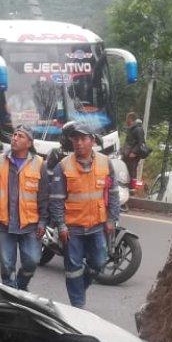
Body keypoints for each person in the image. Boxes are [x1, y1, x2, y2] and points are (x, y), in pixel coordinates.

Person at [50, 122, 120, 309]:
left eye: (83, 138)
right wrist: (61, 225)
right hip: (72, 228)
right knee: (73, 269)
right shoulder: (63, 166)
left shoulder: (106, 163)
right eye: (75, 139)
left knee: (99, 262)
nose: (79, 143)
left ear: (92, 141)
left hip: (97, 225)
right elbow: (56, 200)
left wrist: (112, 219)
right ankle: (78, 306)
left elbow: (113, 193)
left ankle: (80, 288)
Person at [0, 127, 48, 291]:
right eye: (14, 135)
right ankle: (11, 295)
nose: (15, 138)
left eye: (20, 136)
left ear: (29, 143)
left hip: (30, 225)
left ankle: (20, 286)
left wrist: (43, 222)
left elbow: (44, 197)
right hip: (3, 224)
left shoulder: (39, 164)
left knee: (32, 261)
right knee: (7, 266)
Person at [123, 112, 147, 188]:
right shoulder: (131, 129)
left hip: (133, 155)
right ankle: (127, 185)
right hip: (128, 154)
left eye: (127, 119)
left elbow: (141, 142)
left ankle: (132, 188)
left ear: (131, 119)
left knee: (132, 171)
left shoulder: (138, 129)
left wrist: (134, 152)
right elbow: (129, 142)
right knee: (127, 170)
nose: (126, 121)